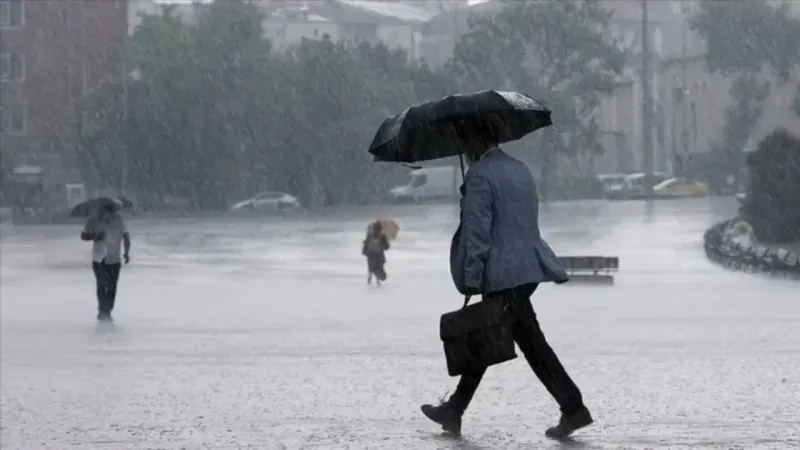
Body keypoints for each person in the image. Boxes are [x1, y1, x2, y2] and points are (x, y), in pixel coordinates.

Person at [420, 129, 592, 439]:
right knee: (493, 336)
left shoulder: (479, 176)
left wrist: (471, 277)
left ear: (476, 140)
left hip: (502, 273)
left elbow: (477, 232)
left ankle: (574, 408)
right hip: (527, 269)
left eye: (465, 140)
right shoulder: (520, 169)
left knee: (527, 344)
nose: (464, 146)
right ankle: (455, 409)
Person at [80, 205, 130, 321]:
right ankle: (102, 310)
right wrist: (94, 236)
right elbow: (83, 235)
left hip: (114, 258)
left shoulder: (119, 219)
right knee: (102, 284)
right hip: (98, 258)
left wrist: (126, 252)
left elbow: (126, 236)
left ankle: (108, 310)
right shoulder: (92, 220)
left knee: (112, 286)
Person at [362, 220, 390, 286]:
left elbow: (365, 245)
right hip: (379, 255)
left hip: (370, 255)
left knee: (371, 267)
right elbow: (387, 247)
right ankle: (378, 281)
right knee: (379, 267)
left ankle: (369, 280)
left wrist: (365, 252)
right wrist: (383, 247)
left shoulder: (369, 235)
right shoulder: (382, 236)